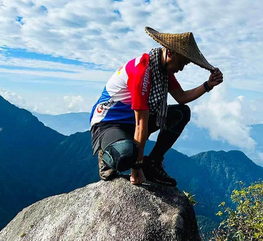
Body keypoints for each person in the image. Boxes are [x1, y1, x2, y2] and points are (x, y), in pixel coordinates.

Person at [89, 27, 223, 186]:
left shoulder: (162, 71)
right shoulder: (141, 71)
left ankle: (152, 163)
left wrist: (208, 85)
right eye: (182, 62)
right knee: (126, 154)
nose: (181, 68)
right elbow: (141, 124)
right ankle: (106, 156)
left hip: (132, 121)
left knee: (181, 113)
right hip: (109, 123)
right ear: (171, 53)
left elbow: (181, 97)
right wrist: (136, 168)